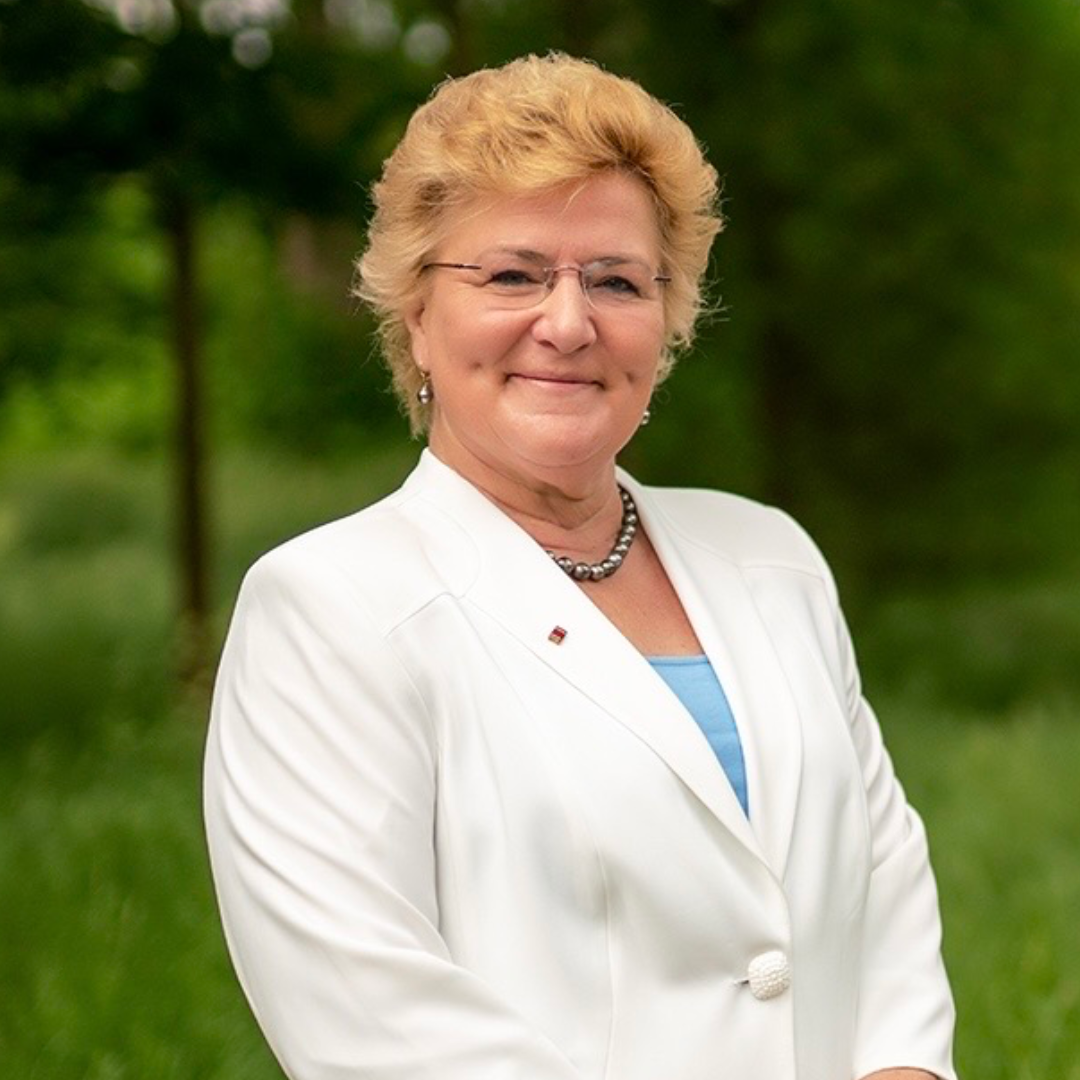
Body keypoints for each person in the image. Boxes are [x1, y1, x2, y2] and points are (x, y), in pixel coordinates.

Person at [204, 53, 957, 1080]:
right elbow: (372, 1016)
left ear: (666, 319)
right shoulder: (326, 608)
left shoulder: (770, 555)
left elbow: (886, 887)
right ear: (417, 317)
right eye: (512, 275)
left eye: (615, 280)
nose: (567, 323)